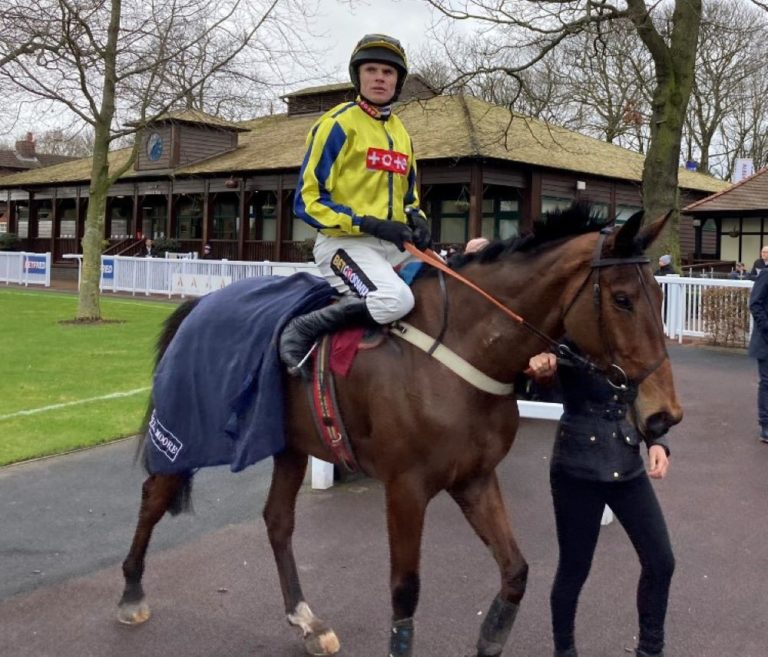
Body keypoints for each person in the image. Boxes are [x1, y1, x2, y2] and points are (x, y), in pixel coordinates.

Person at [280, 33, 431, 375]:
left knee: (453, 285)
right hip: (343, 244)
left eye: (388, 72)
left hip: (393, 245)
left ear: (398, 81)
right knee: (395, 300)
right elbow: (308, 200)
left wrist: (418, 219)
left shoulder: (402, 133)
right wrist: (367, 223)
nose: (380, 77)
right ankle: (303, 328)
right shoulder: (337, 124)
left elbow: (410, 197)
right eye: (372, 70)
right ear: (358, 76)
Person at [528, 343, 674, 657]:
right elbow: (540, 387)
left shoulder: (629, 327)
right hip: (576, 469)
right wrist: (542, 374)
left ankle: (651, 650)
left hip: (627, 464)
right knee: (574, 569)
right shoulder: (566, 333)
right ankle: (564, 651)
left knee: (661, 562)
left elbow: (644, 389)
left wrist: (656, 439)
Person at [748, 269, 768, 443]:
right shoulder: (766, 275)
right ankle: (766, 425)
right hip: (766, 341)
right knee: (767, 383)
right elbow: (755, 304)